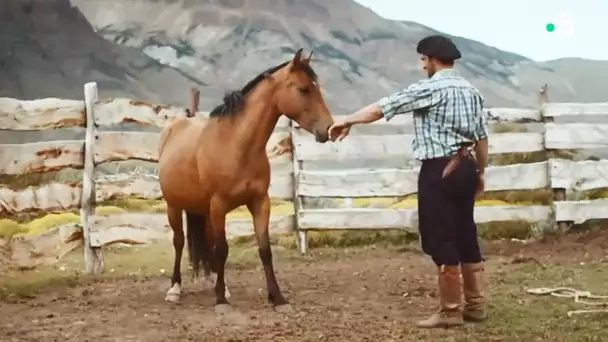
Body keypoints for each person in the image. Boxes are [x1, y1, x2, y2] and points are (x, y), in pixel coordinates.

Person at [328, 35, 489, 328]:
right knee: (465, 232)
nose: (421, 65)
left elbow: (383, 107)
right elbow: (482, 137)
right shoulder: (472, 91)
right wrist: (480, 173)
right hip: (466, 166)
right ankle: (476, 306)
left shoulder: (430, 88)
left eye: (422, 59)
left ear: (430, 59)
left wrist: (347, 120)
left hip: (439, 169)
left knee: (439, 236)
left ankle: (451, 311)